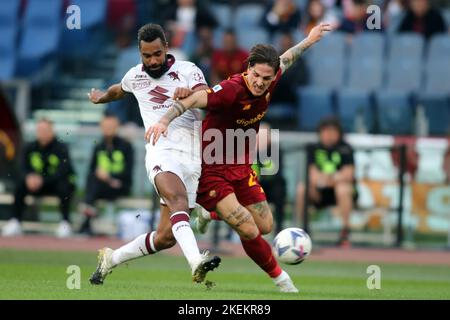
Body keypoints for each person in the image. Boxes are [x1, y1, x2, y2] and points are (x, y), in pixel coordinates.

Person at [146, 23, 332, 293]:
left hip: (241, 166)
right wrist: (164, 120)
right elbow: (192, 100)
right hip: (211, 168)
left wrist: (310, 39)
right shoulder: (231, 90)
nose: (260, 82)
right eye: (256, 75)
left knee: (265, 225)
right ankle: (283, 281)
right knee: (246, 226)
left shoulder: (272, 74)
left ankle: (209, 212)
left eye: (266, 79)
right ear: (248, 69)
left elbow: (288, 57)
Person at [86, 23, 220, 285]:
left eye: (157, 54)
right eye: (147, 56)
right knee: (178, 201)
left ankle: (110, 259)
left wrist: (190, 93)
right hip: (161, 151)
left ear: (166, 48)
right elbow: (118, 90)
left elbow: (207, 95)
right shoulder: (135, 75)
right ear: (140, 53)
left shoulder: (188, 70)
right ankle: (196, 262)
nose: (153, 60)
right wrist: (101, 97)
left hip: (192, 158)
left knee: (165, 237)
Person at [2, 119, 76, 238]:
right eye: (40, 130)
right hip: (33, 185)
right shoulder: (29, 147)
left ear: (52, 131)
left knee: (65, 185)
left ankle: (65, 223)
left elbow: (64, 170)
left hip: (53, 185)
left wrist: (43, 180)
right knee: (20, 185)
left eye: (46, 130)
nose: (43, 133)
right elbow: (20, 167)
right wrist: (28, 177)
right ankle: (15, 221)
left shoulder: (61, 148)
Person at [295, 117, 356, 248]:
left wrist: (329, 179)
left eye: (333, 131)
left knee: (343, 188)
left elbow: (348, 174)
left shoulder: (346, 148)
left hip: (339, 193)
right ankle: (302, 231)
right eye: (326, 131)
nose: (329, 135)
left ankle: (345, 233)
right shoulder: (313, 148)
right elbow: (313, 174)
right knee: (302, 189)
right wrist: (329, 179)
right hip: (319, 192)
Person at [78, 113, 135, 236]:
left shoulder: (126, 146)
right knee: (93, 179)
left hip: (119, 186)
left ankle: (87, 220)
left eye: (111, 126)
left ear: (117, 127)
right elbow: (92, 169)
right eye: (105, 126)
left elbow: (127, 172)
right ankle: (89, 214)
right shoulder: (99, 146)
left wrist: (109, 177)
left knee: (93, 185)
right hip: (101, 186)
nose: (108, 129)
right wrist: (104, 177)